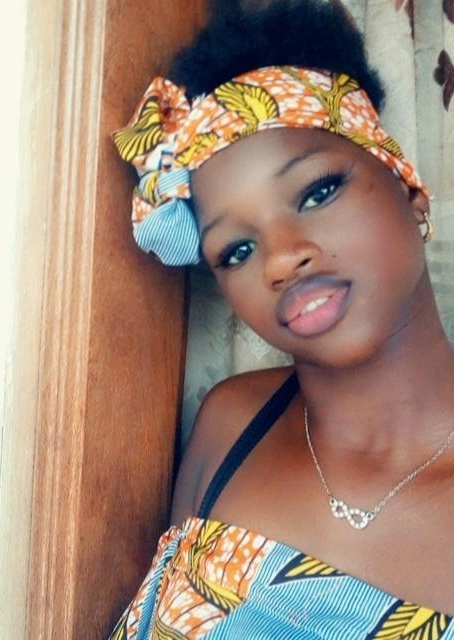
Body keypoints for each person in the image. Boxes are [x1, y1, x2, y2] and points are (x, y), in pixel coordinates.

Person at [109, 1, 454, 637]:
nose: (281, 258)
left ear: (407, 185)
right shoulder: (232, 426)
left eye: (317, 192)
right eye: (236, 250)